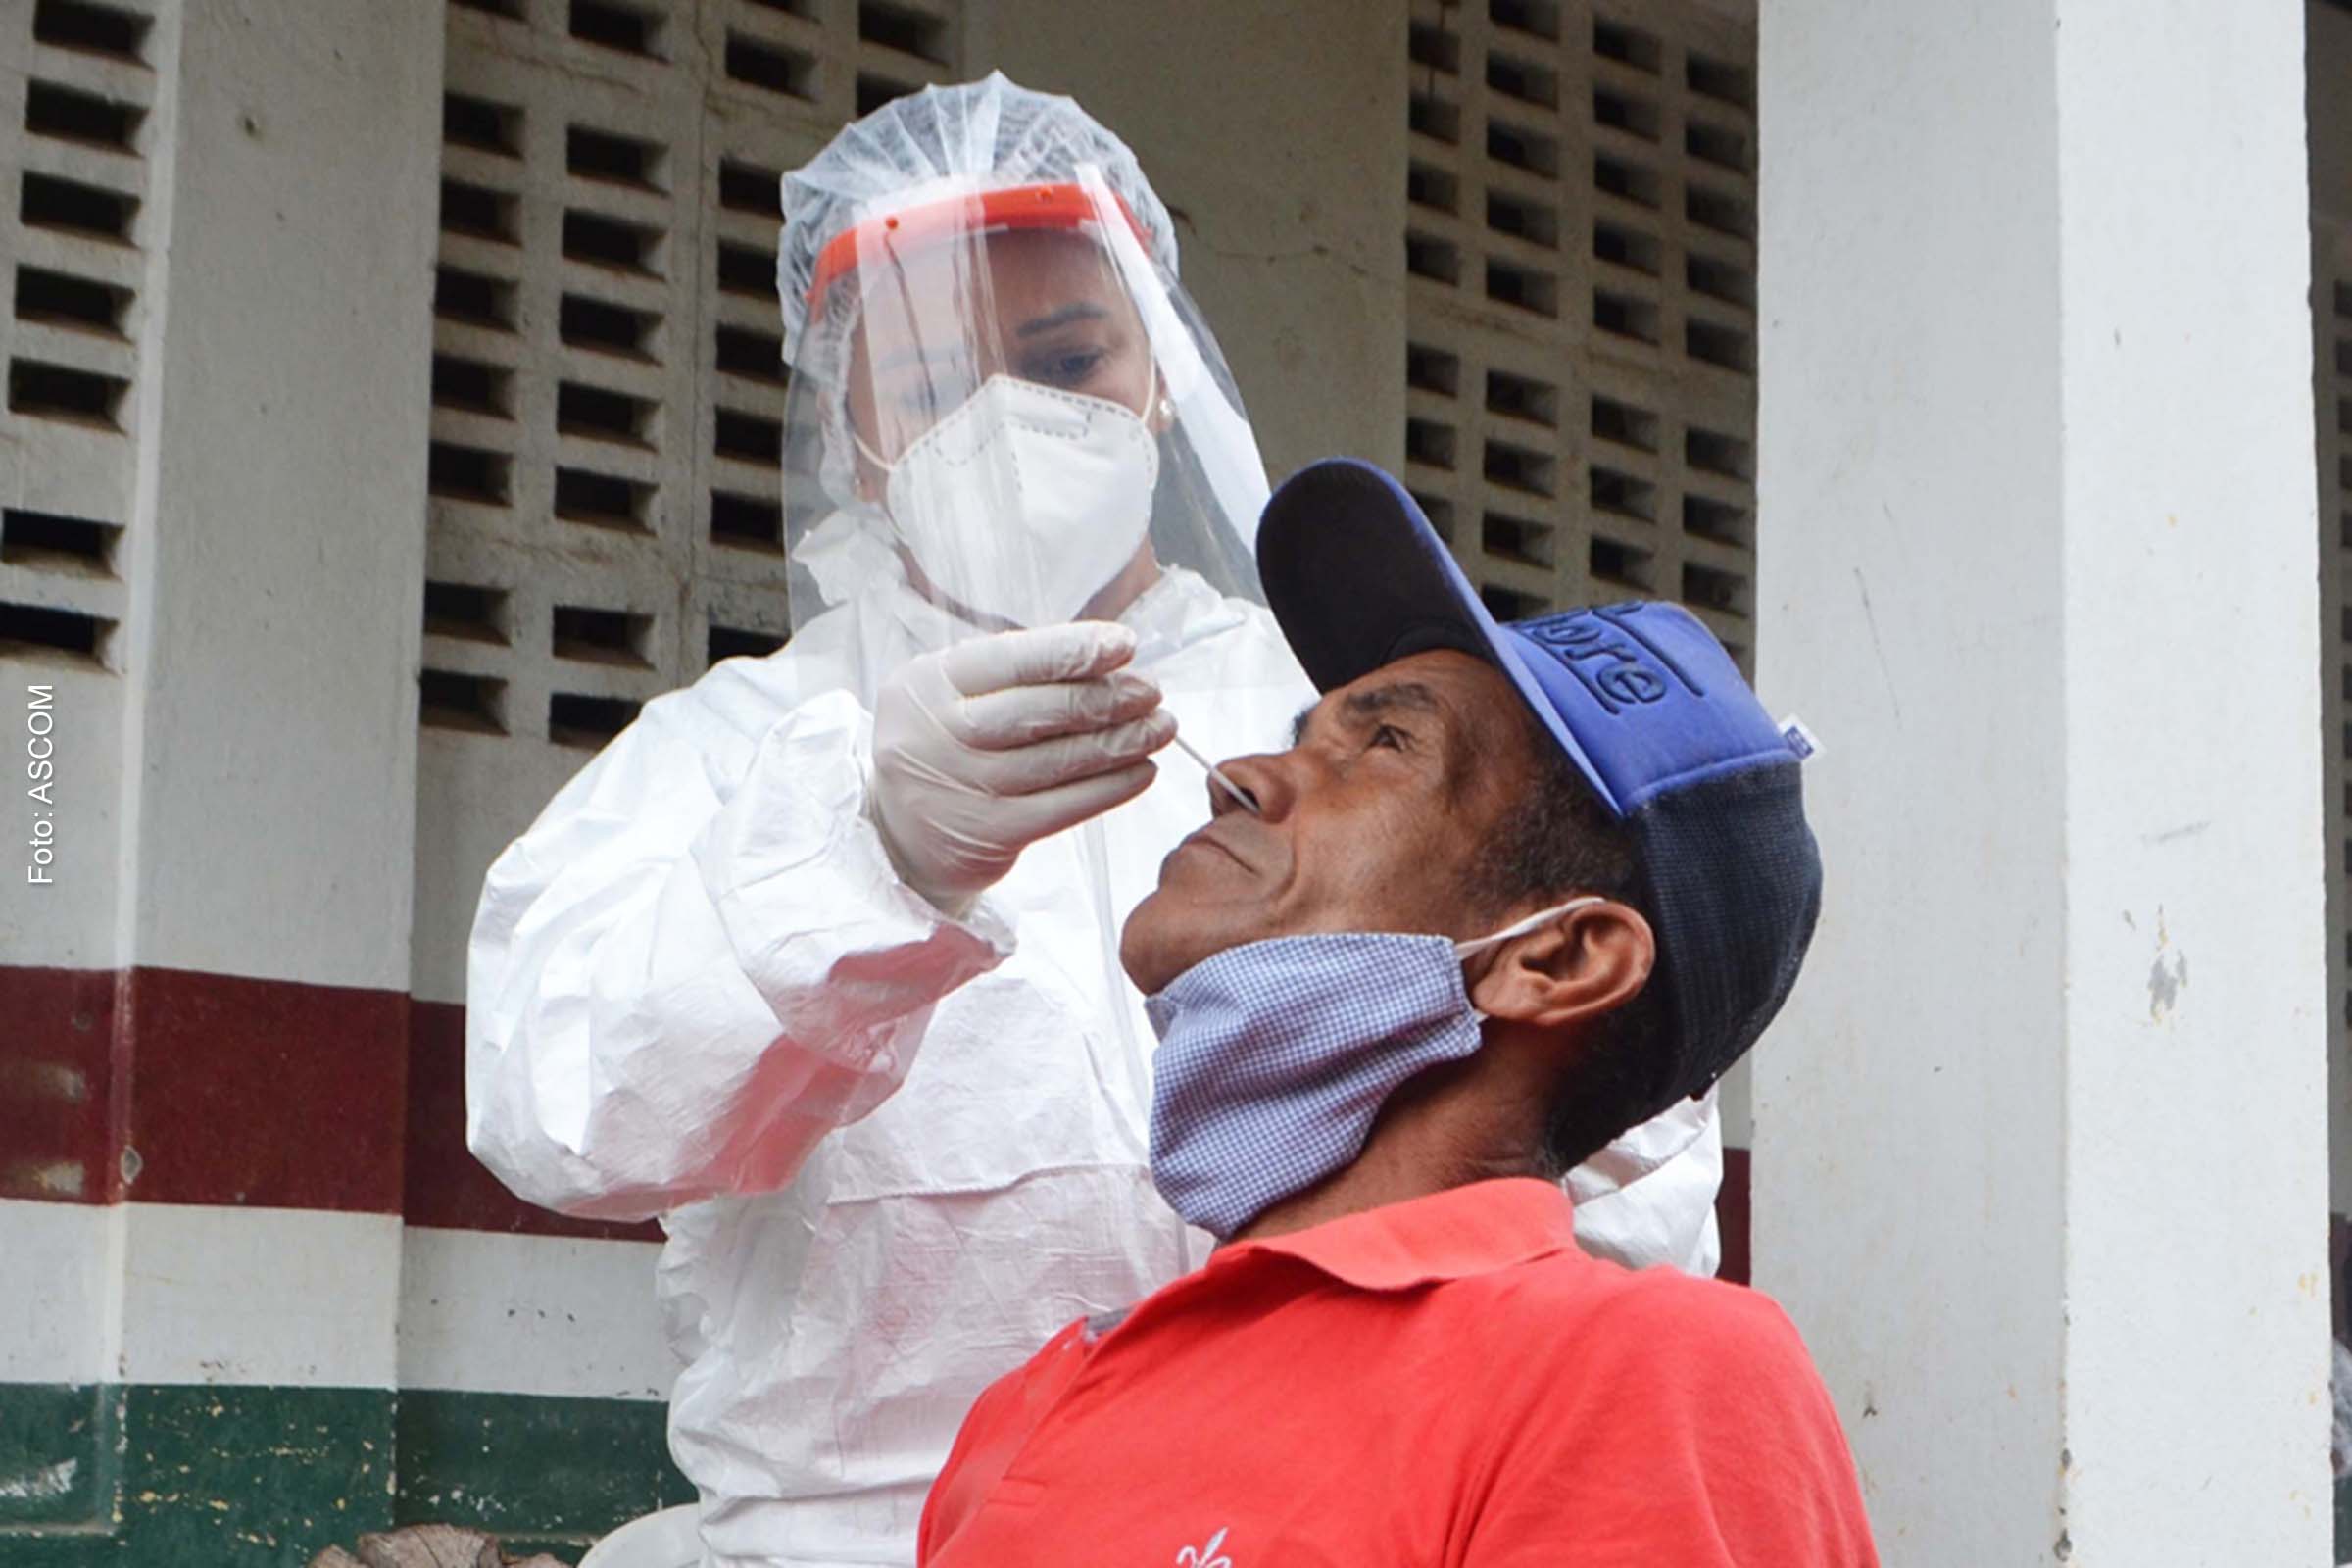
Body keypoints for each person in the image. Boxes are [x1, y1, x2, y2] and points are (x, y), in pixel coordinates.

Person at [465, 77, 1728, 1567]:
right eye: (931, 379)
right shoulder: (740, 754)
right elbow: (558, 1115)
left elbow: (1610, 1137)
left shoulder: (1326, 716)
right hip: (855, 1536)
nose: (1004, 418)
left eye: (1070, 358)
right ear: (846, 427)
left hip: (1305, 1518)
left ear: (1159, 374)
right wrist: (861, 861)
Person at [918, 458, 1871, 1566]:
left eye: (1383, 745)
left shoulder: (1642, 1368)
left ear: (1558, 958)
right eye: (1301, 733)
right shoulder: (1035, 1401)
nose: (1241, 774)